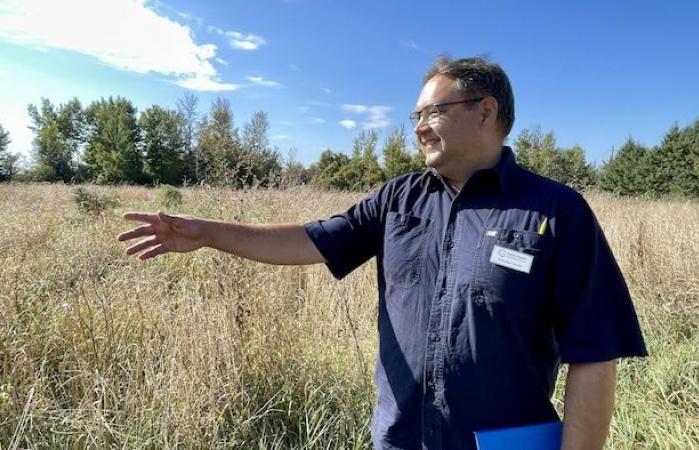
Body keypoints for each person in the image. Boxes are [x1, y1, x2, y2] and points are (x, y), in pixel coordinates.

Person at [118, 56, 647, 450]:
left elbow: (595, 352)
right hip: (399, 439)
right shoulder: (398, 199)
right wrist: (209, 231)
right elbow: (309, 239)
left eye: (432, 112)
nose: (417, 128)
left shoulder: (557, 212)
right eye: (413, 115)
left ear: (486, 111)